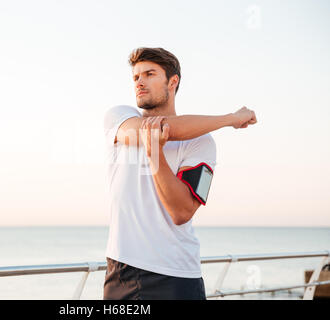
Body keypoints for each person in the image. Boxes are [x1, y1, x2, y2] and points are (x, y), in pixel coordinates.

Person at [102, 47, 257, 300]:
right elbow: (159, 130)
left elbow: (181, 212)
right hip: (122, 273)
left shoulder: (202, 143)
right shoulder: (119, 118)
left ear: (172, 82)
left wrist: (156, 156)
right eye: (135, 77)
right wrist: (230, 118)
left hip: (178, 278)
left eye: (149, 74)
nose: (139, 82)